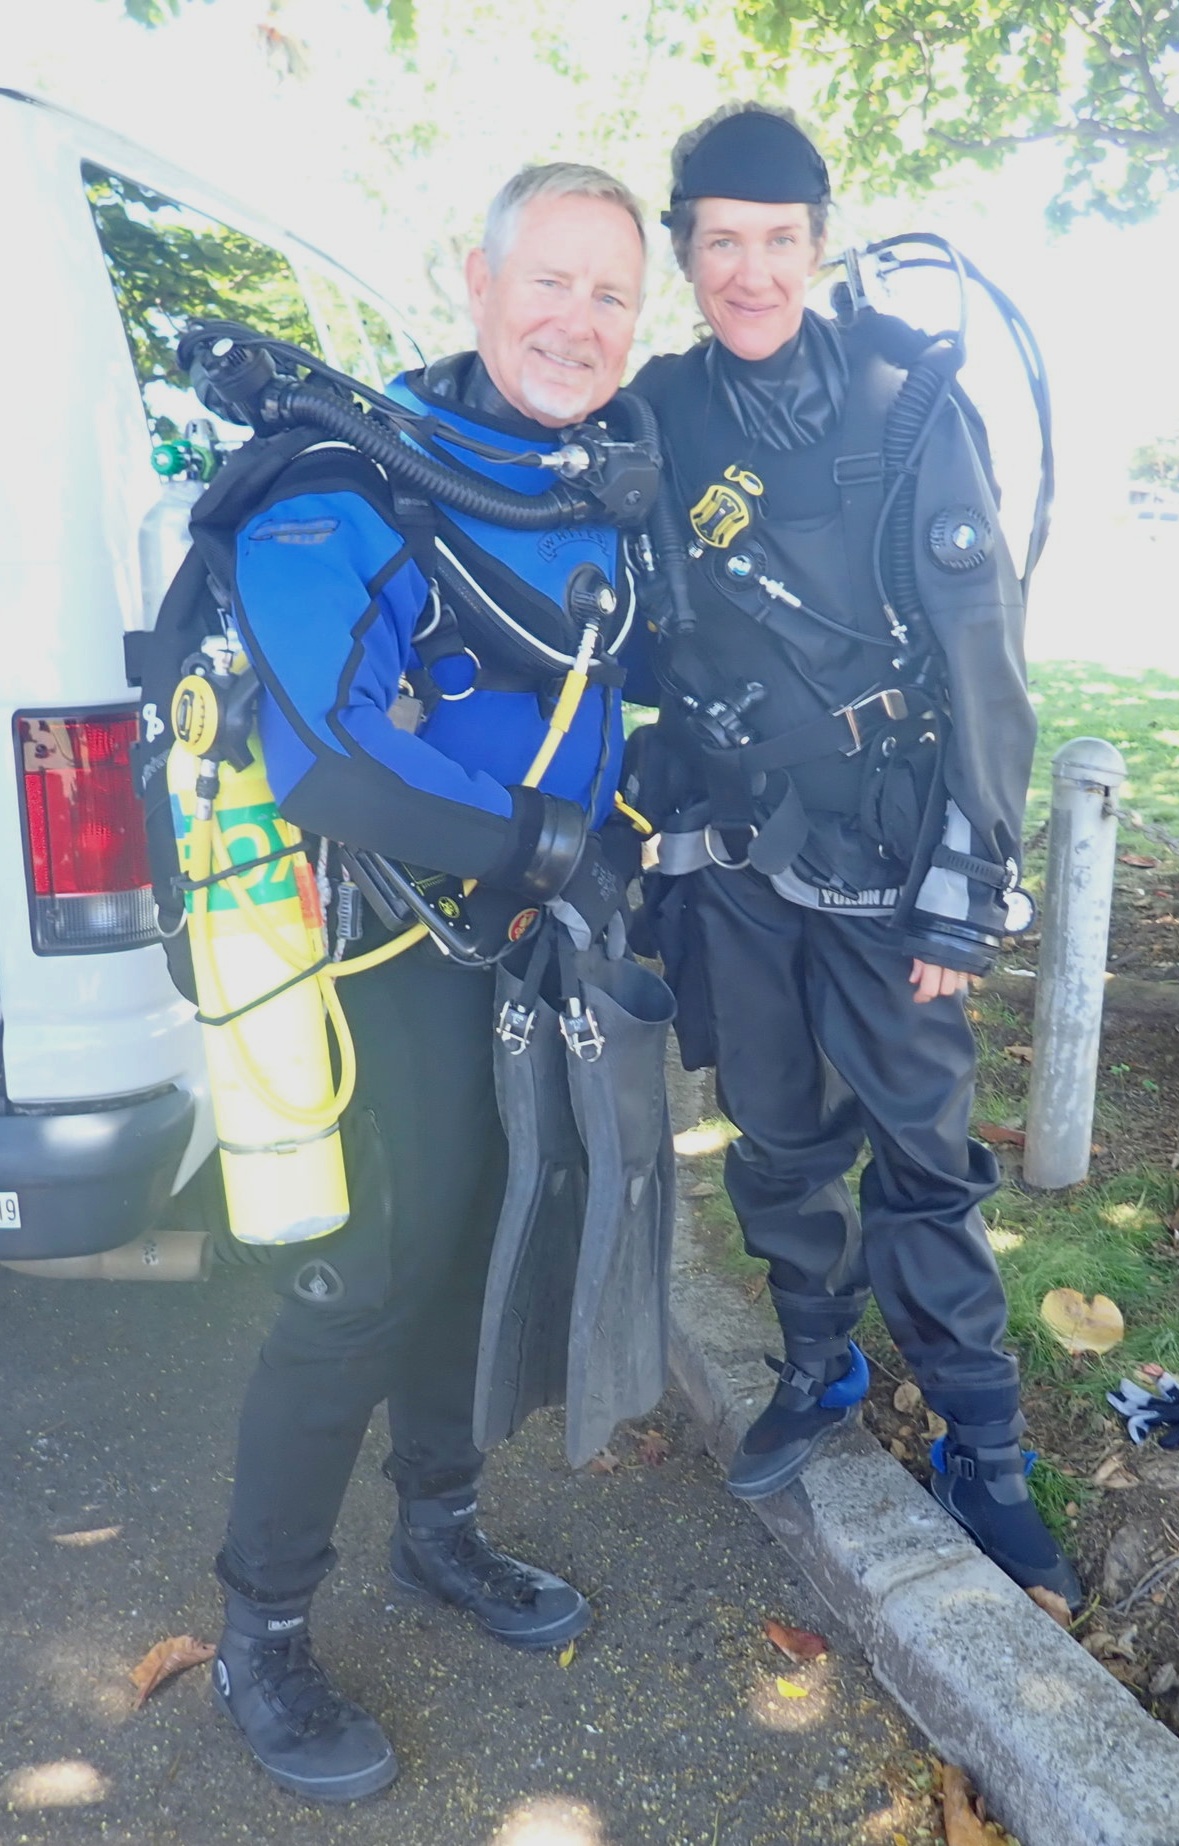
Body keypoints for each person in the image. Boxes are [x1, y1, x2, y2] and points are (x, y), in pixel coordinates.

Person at [207, 163, 649, 1802]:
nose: (577, 321)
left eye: (612, 294)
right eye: (551, 281)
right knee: (365, 1276)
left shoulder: (596, 479)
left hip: (513, 944)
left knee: (480, 1230)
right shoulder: (350, 476)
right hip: (371, 941)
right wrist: (542, 843)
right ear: (474, 284)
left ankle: (440, 1527)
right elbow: (332, 759)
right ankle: (261, 1626)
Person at [629, 104, 1081, 1605]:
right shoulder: (653, 411)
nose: (748, 271)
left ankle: (982, 1448)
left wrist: (967, 881)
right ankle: (817, 1366)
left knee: (925, 1164)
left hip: (897, 865)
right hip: (736, 866)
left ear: (816, 244)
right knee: (772, 1136)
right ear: (686, 250)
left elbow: (983, 662)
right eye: (719, 243)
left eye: (776, 241)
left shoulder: (904, 397)